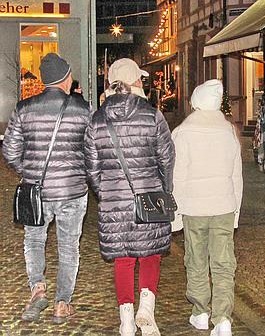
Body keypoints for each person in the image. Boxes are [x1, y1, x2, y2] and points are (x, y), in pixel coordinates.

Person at [84, 58, 175, 336]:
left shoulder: (97, 120)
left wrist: (106, 194)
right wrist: (164, 189)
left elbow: (92, 167)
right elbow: (167, 158)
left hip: (113, 201)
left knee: (123, 259)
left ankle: (125, 318)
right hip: (149, 196)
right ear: (136, 82)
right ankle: (146, 309)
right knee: (150, 254)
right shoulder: (151, 115)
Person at [3, 53, 91, 323]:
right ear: (66, 79)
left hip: (37, 191)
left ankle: (38, 288)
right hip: (72, 191)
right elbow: (93, 150)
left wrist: (26, 171)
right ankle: (62, 303)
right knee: (68, 247)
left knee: (33, 240)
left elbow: (9, 150)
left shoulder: (24, 108)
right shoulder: (83, 110)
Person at [171, 79, 242, 336]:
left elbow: (176, 176)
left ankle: (200, 311)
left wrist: (175, 212)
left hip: (193, 205)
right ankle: (223, 318)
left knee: (196, 259)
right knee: (224, 262)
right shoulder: (229, 132)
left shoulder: (182, 132)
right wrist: (236, 211)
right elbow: (237, 176)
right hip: (223, 204)